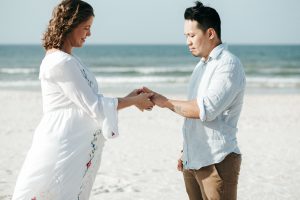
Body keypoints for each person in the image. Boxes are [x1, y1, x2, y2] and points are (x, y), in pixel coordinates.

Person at [11, 0, 154, 199]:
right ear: (70, 24)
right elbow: (94, 106)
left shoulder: (68, 59)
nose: (89, 34)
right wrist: (133, 102)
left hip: (73, 142)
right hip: (63, 142)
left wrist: (130, 98)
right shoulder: (60, 62)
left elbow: (88, 101)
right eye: (86, 28)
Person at [142, 1, 246, 200]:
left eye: (192, 35)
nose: (188, 41)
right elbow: (191, 116)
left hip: (218, 161)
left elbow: (203, 110)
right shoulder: (201, 66)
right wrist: (186, 152)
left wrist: (164, 101)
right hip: (193, 161)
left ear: (210, 33)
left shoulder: (228, 64)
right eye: (186, 36)